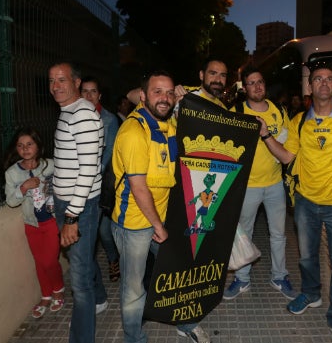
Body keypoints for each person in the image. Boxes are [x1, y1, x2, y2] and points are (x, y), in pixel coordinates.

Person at [258, 66, 332, 343]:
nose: (323, 83)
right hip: (306, 202)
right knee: (307, 257)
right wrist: (265, 135)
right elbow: (286, 158)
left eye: (329, 79)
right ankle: (311, 294)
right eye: (317, 78)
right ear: (310, 87)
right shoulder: (298, 122)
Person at [111, 70, 211, 343]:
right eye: (157, 92)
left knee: (177, 273)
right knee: (134, 289)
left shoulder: (168, 124)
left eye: (169, 92)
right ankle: (134, 338)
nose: (165, 98)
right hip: (134, 223)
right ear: (142, 97)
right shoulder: (133, 131)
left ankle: (186, 323)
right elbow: (139, 187)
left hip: (162, 217)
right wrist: (159, 226)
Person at [223, 65, 297, 301]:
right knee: (245, 233)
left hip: (275, 184)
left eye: (260, 82)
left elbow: (286, 148)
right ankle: (242, 279)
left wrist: (267, 135)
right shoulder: (236, 111)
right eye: (251, 83)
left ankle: (279, 275)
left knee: (278, 234)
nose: (257, 86)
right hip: (248, 186)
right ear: (244, 88)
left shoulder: (279, 111)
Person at [48, 61, 106, 343]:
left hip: (79, 208)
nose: (56, 86)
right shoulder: (69, 111)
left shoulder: (82, 114)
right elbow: (68, 162)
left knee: (79, 282)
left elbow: (88, 169)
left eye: (62, 80)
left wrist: (71, 217)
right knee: (82, 260)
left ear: (76, 83)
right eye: (51, 81)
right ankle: (102, 298)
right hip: (68, 204)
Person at [4, 127, 65, 319]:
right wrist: (23, 187)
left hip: (52, 220)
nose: (25, 149)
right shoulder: (12, 173)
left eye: (29, 144)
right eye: (20, 146)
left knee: (49, 260)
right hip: (32, 224)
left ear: (38, 146)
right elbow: (11, 201)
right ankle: (46, 295)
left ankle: (59, 290)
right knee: (39, 262)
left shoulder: (51, 165)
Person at [80, 76, 121, 283]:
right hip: (80, 186)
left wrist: (94, 172)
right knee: (87, 235)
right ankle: (90, 276)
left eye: (93, 91)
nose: (88, 95)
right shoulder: (72, 117)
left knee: (104, 231)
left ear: (99, 95)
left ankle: (114, 260)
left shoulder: (109, 119)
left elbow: (111, 151)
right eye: (85, 91)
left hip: (102, 183)